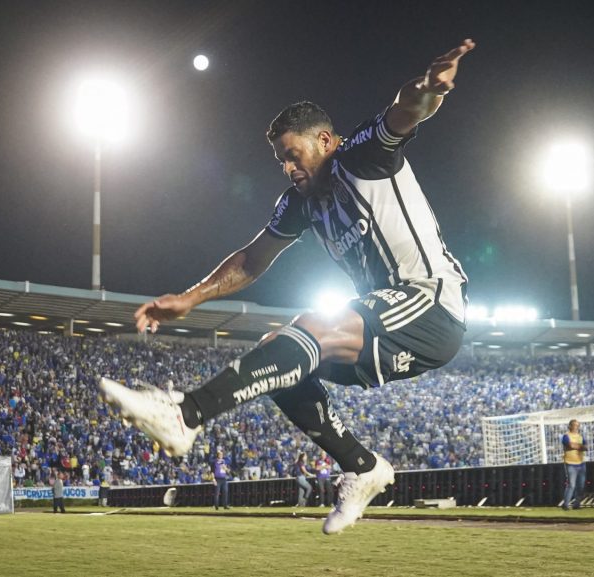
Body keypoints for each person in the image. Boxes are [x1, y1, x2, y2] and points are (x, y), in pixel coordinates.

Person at [99, 39, 476, 534]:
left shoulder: (358, 157)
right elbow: (254, 258)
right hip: (385, 318)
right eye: (280, 160)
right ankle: (363, 468)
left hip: (430, 302)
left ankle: (186, 414)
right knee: (278, 355)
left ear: (325, 141)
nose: (288, 168)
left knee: (311, 327)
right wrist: (188, 299)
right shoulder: (299, 202)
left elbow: (405, 113)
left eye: (293, 154)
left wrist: (430, 90)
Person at [560, 419, 587, 510]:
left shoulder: (580, 436)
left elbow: (585, 447)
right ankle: (566, 504)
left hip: (581, 462)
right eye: (575, 425)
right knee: (571, 484)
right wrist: (579, 446)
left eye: (577, 425)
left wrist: (576, 446)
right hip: (570, 463)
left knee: (580, 485)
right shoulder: (566, 436)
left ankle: (577, 504)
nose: (576, 427)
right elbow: (570, 445)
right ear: (570, 426)